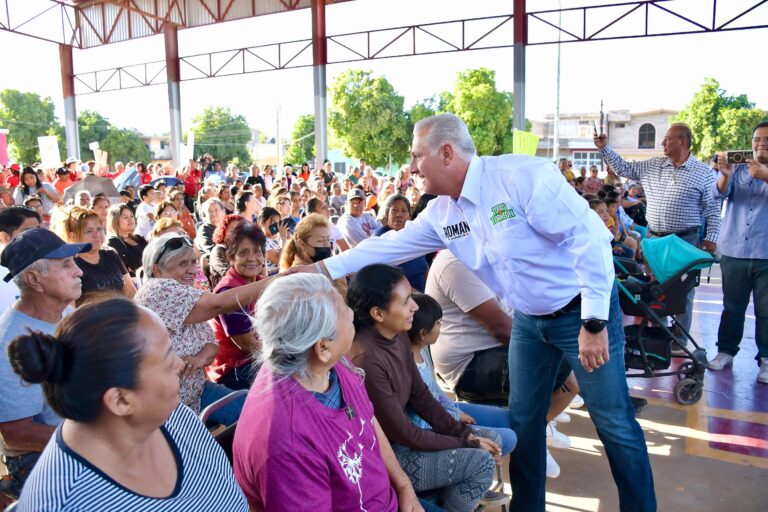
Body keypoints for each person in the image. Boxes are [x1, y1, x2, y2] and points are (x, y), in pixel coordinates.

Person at [303, 113, 655, 512]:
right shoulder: (443, 214)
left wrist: (593, 322)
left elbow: (589, 238)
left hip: (582, 310)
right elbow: (386, 247)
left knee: (613, 422)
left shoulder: (521, 178)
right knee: (525, 422)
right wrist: (319, 269)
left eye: (418, 156)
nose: (413, 167)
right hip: (529, 321)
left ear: (447, 153)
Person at [7, 297, 248, 510]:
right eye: (166, 360)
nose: (179, 363)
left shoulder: (173, 416)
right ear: (121, 401)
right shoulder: (67, 502)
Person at [232, 274, 423, 511]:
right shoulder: (287, 443)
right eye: (345, 314)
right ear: (322, 347)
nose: (352, 314)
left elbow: (366, 420)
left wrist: (404, 485)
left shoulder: (331, 363)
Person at [347, 264, 499, 512]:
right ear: (378, 313)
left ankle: (440, 499)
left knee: (488, 439)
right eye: (406, 301)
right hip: (391, 460)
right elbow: (404, 434)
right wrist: (468, 443)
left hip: (409, 442)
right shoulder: (367, 360)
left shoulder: (397, 335)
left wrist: (464, 435)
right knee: (481, 460)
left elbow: (422, 397)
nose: (415, 306)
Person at [426, 249, 578, 478]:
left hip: (495, 350)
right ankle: (533, 441)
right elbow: (501, 329)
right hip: (469, 364)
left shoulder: (495, 256)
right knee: (559, 366)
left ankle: (537, 430)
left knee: (571, 380)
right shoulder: (455, 262)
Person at [595, 122, 721, 339]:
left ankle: (680, 339)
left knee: (683, 293)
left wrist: (711, 239)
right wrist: (604, 147)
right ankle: (661, 336)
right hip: (655, 240)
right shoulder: (653, 165)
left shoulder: (703, 172)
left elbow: (713, 209)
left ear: (682, 141)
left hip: (685, 240)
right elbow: (623, 168)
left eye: (668, 139)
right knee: (655, 289)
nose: (663, 143)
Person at [0, 228, 87, 498]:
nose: (79, 271)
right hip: (43, 458)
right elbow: (15, 433)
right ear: (34, 279)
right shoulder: (11, 343)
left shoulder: (65, 312)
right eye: (66, 265)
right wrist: (95, 441)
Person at [135, 233, 250, 425]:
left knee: (253, 413)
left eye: (192, 262)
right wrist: (283, 279)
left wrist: (197, 360)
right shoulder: (157, 290)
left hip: (197, 390)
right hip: (168, 404)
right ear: (157, 270)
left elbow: (211, 344)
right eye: (183, 264)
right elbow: (219, 305)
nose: (192, 270)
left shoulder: (187, 294)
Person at [408, 293, 517, 457]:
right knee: (508, 438)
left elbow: (436, 390)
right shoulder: (407, 362)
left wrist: (455, 410)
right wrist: (453, 415)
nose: (441, 327)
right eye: (438, 323)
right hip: (428, 425)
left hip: (444, 410)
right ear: (423, 333)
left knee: (510, 420)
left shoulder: (422, 348)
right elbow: (425, 405)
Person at [709, 121, 768, 383]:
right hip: (734, 250)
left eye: (766, 140)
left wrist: (764, 175)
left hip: (765, 252)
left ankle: (766, 359)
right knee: (732, 307)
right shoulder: (740, 167)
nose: (760, 145)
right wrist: (725, 173)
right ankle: (725, 352)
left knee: (766, 310)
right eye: (757, 139)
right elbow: (717, 195)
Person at [208, 224, 268, 390]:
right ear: (231, 258)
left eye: (257, 251)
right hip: (234, 369)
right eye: (243, 252)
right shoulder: (228, 290)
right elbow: (248, 345)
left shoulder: (259, 281)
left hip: (258, 357)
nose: (252, 258)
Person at [60, 206, 135, 303]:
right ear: (72, 236)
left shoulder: (111, 254)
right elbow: (71, 308)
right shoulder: (70, 265)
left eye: (99, 229)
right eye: (89, 231)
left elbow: (131, 292)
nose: (97, 235)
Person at [374, 194, 428, 292]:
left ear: (409, 216)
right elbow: (383, 278)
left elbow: (425, 267)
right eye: (394, 210)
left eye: (404, 211)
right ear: (387, 214)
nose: (399, 215)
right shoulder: (379, 238)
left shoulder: (414, 236)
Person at [105, 203, 147, 277]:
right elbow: (135, 263)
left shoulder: (139, 238)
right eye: (125, 217)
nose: (130, 219)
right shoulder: (113, 242)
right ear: (115, 220)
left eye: (131, 216)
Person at [208, 214, 247, 288]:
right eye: (232, 230)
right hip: (226, 292)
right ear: (223, 232)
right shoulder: (218, 250)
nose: (236, 233)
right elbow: (230, 275)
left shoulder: (244, 249)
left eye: (239, 230)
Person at [257, 207, 288, 277]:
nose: (276, 226)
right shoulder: (262, 242)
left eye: (277, 223)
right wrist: (284, 238)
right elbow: (280, 261)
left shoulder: (276, 240)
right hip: (272, 278)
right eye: (273, 222)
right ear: (262, 223)